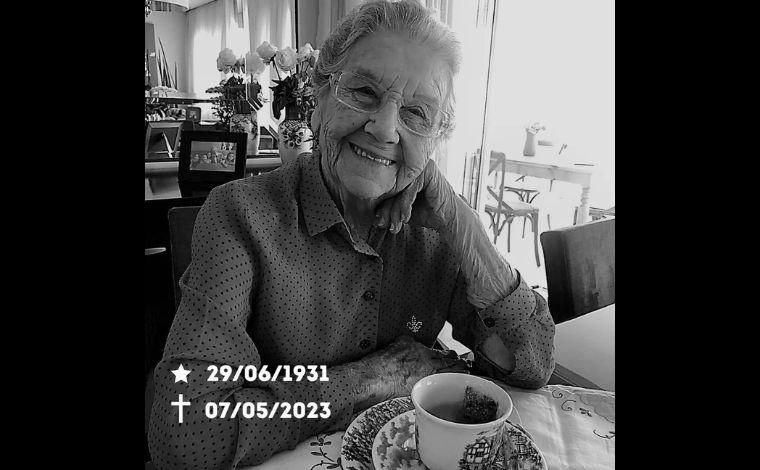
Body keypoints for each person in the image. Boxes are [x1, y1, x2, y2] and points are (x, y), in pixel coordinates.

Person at [148, 1, 555, 468]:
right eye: (363, 91)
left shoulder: (440, 229)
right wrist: (373, 378)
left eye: (417, 114)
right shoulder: (241, 214)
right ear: (320, 98)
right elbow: (185, 431)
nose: (385, 128)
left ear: (436, 139)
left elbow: (530, 364)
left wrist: (468, 229)